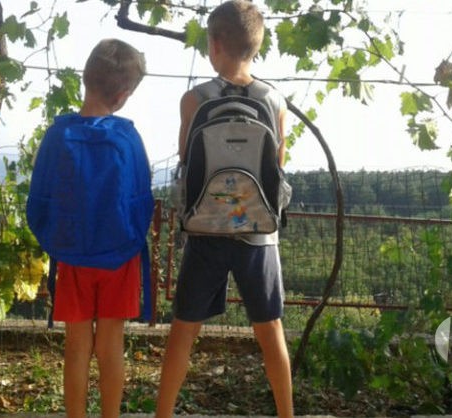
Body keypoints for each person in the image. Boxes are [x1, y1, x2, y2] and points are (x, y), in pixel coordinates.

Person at [155, 1, 293, 417]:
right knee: (271, 330)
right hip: (258, 232)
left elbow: (186, 160)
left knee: (184, 330)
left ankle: (163, 413)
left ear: (214, 45)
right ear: (257, 45)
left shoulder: (194, 99)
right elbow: (278, 167)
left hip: (205, 228)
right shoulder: (275, 100)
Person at [47, 39, 147, 418]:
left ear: (85, 78)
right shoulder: (128, 137)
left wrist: (59, 243)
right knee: (110, 345)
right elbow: (141, 198)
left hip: (73, 256)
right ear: (122, 96)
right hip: (120, 258)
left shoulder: (59, 134)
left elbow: (43, 199)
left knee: (76, 346)